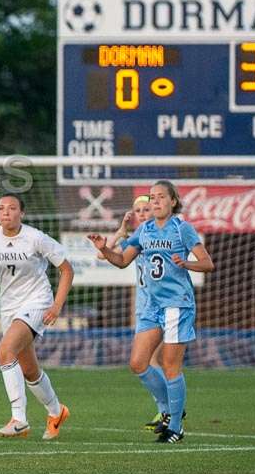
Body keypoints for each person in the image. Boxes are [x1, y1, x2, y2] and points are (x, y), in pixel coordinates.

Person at [89, 180, 215, 443]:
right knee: (137, 363)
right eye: (152, 197)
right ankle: (170, 410)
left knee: (171, 366)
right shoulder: (144, 230)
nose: (155, 201)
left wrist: (187, 264)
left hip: (176, 305)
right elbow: (122, 261)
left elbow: (207, 263)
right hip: (151, 307)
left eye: (161, 197)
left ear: (172, 201)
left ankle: (176, 427)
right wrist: (104, 249)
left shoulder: (182, 229)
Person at [0, 194, 74, 440]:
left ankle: (19, 419)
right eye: (1, 208)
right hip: (9, 308)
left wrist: (57, 305)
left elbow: (66, 269)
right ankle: (56, 411)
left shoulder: (35, 238)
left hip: (37, 302)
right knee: (30, 370)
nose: (5, 212)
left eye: (11, 208)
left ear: (22, 213)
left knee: (4, 351)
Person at [103, 194, 172, 431]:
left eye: (146, 209)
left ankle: (170, 411)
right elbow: (103, 254)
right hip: (144, 309)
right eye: (138, 211)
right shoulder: (137, 238)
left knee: (157, 360)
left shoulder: (165, 234)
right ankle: (166, 411)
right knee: (146, 361)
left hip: (165, 307)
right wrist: (121, 232)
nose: (142, 213)